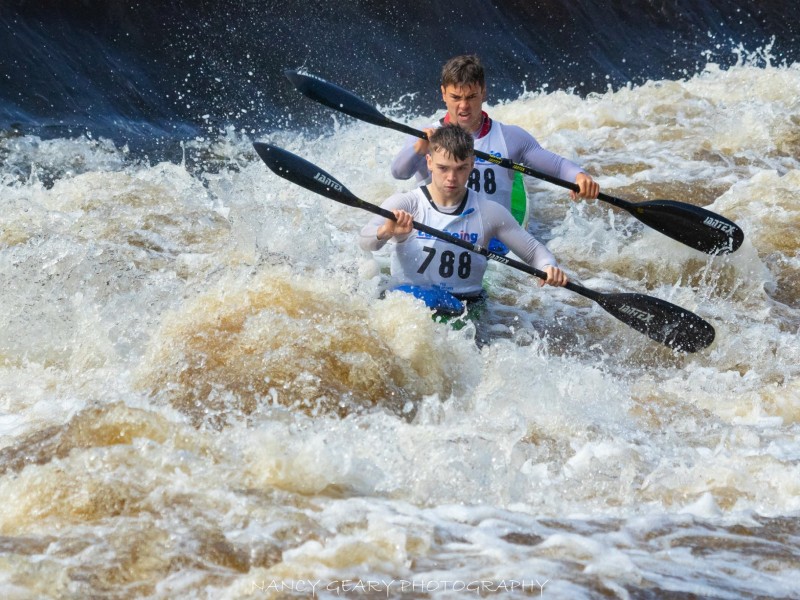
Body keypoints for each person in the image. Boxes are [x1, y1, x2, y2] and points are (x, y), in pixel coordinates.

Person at [360, 124, 568, 303]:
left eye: (460, 169)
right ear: (429, 163)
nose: (451, 177)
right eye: (443, 168)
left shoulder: (489, 212)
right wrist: (385, 231)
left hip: (466, 307)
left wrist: (549, 267)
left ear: (471, 166)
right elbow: (365, 241)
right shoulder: (406, 203)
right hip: (409, 303)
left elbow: (534, 252)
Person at [391, 54, 599, 228]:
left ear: (484, 92)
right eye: (456, 97)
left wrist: (579, 176)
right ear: (443, 94)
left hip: (493, 236)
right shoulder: (425, 136)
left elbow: (558, 166)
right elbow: (399, 173)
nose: (463, 106)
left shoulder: (510, 138)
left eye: (471, 97)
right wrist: (418, 150)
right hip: (439, 232)